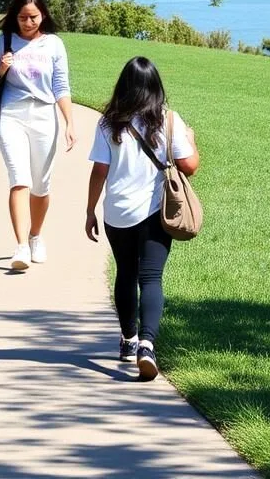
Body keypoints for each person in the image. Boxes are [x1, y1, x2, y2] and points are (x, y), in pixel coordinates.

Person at [85, 57, 199, 381]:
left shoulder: (109, 124)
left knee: (126, 272)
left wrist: (90, 210)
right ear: (156, 87)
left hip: (117, 213)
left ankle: (128, 339)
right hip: (153, 212)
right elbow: (189, 166)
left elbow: (99, 171)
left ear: (124, 86)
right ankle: (146, 345)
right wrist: (190, 140)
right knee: (151, 278)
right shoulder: (169, 121)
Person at [0, 0, 76, 271]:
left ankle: (36, 235)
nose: (28, 22)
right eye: (23, 17)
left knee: (41, 184)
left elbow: (61, 87)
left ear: (43, 15)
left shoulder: (54, 45)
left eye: (33, 17)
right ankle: (21, 245)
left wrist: (70, 122)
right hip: (12, 114)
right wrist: (0, 71)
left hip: (44, 117)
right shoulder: (4, 42)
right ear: (15, 17)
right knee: (19, 179)